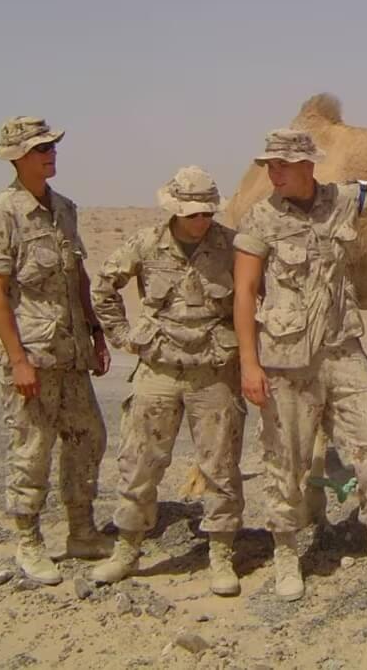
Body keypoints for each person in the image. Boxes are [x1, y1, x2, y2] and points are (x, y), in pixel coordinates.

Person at [233, 129, 367, 601]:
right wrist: (249, 362)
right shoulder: (260, 218)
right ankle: (287, 554)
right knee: (286, 461)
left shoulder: (344, 200)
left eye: (283, 164)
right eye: (270, 164)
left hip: (343, 352)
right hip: (286, 361)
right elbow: (245, 292)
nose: (274, 172)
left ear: (309, 166)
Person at [89, 166, 246, 595]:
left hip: (213, 374)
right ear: (174, 209)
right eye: (192, 212)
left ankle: (220, 554)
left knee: (220, 468)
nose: (200, 220)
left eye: (206, 212)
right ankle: (127, 549)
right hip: (158, 371)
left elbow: (255, 297)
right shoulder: (146, 244)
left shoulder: (233, 246)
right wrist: (124, 337)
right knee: (140, 463)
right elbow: (103, 287)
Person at [0, 116, 112, 585]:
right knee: (32, 448)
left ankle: (81, 530)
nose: (49, 153)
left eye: (51, 145)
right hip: (33, 354)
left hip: (70, 354)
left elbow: (78, 277)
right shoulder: (2, 214)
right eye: (39, 148)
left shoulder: (65, 209)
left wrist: (95, 331)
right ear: (17, 157)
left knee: (88, 438)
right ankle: (28, 539)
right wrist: (17, 360)